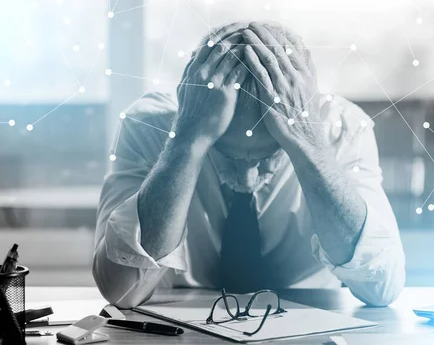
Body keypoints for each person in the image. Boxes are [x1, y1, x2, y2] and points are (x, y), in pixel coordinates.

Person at [93, 21, 405, 309]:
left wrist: (309, 144)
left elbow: (382, 288)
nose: (247, 176)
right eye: (226, 153)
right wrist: (186, 140)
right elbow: (121, 290)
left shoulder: (343, 130)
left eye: (268, 154)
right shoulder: (150, 127)